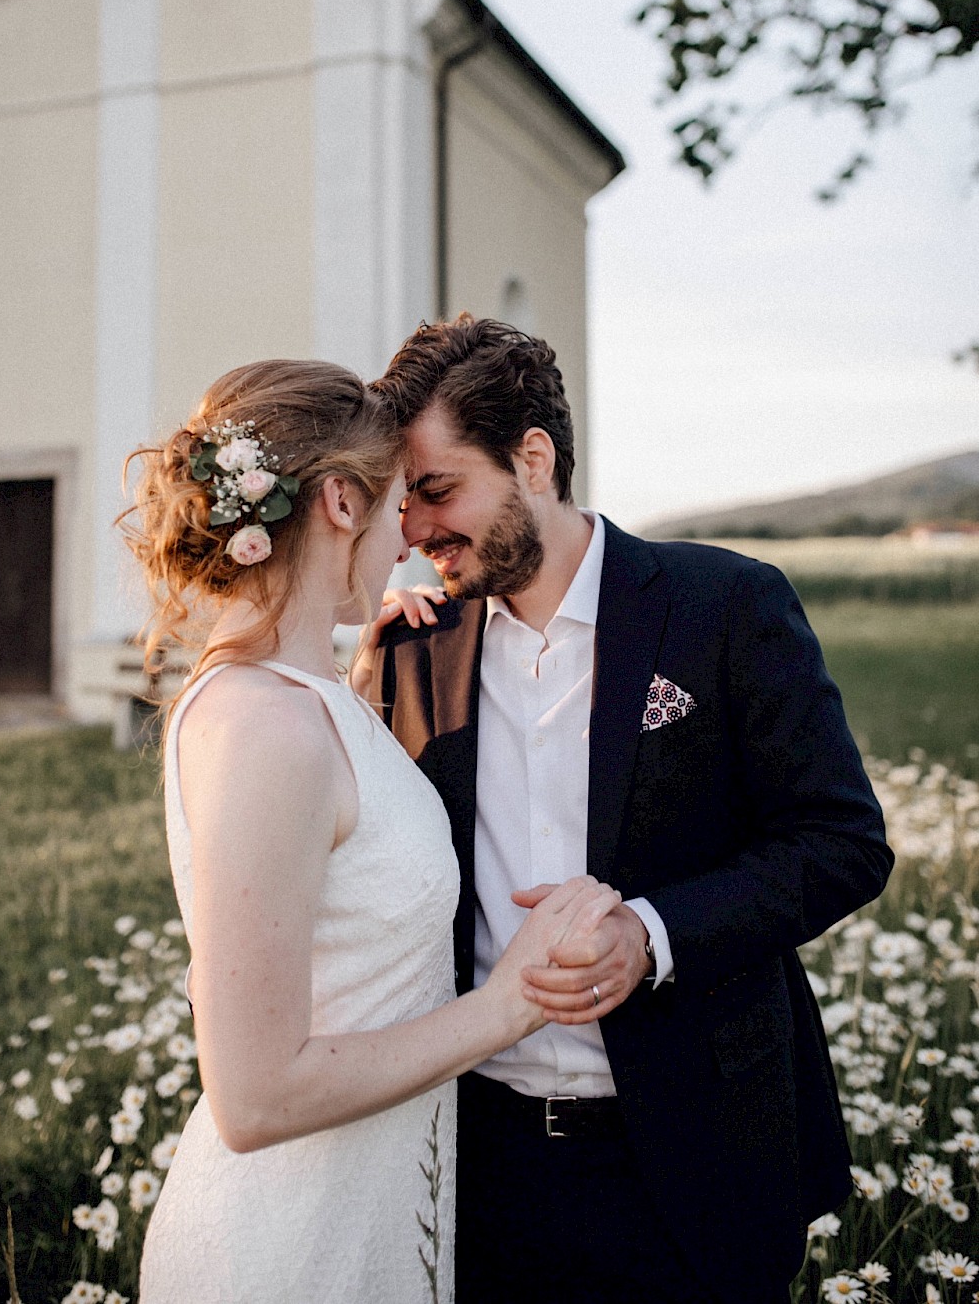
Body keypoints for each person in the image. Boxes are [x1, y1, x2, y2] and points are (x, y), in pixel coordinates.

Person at [356, 315, 894, 1304]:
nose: (414, 531)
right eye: (403, 502)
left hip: (702, 1157)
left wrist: (651, 934)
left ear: (533, 458)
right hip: (485, 1172)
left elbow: (842, 842)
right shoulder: (408, 651)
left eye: (436, 489)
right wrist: (354, 690)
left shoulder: (723, 604)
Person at [122, 358, 620, 1304]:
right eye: (402, 498)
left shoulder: (324, 698)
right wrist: (512, 1004)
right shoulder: (264, 724)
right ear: (343, 501)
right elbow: (255, 1095)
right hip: (289, 1247)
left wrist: (371, 671)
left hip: (384, 1214)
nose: (413, 534)